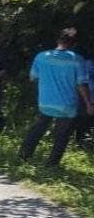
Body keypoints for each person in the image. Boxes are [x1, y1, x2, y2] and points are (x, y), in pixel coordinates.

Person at [18, 28, 94, 167]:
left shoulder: (41, 56)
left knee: (38, 129)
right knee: (62, 136)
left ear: (58, 40)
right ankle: (51, 164)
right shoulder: (78, 60)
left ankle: (24, 155)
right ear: (74, 44)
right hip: (67, 105)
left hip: (45, 102)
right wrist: (89, 103)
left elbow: (33, 77)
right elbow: (81, 85)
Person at [75, 55, 94, 149]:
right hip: (87, 97)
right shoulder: (88, 64)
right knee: (84, 120)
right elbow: (82, 83)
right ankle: (82, 143)